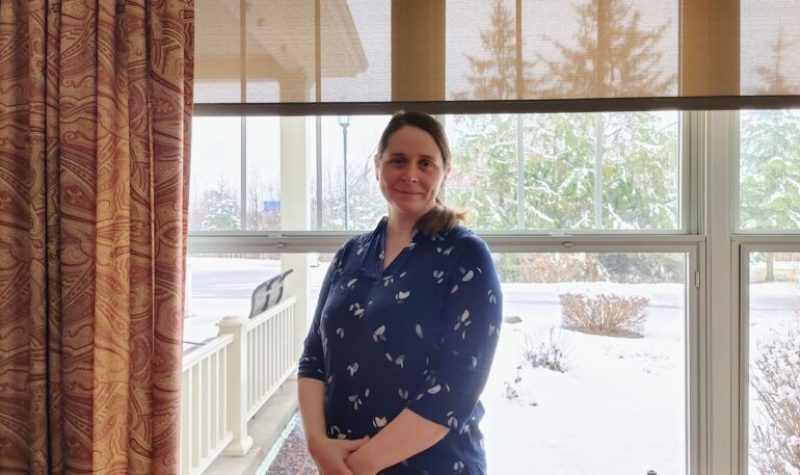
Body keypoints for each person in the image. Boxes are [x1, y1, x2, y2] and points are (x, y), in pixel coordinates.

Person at [297, 111, 502, 475]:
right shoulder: (351, 253)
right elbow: (314, 355)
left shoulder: (465, 255)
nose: (410, 175)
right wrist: (318, 445)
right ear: (378, 165)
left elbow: (456, 384)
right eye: (398, 161)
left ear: (445, 173)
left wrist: (362, 465)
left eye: (426, 163)